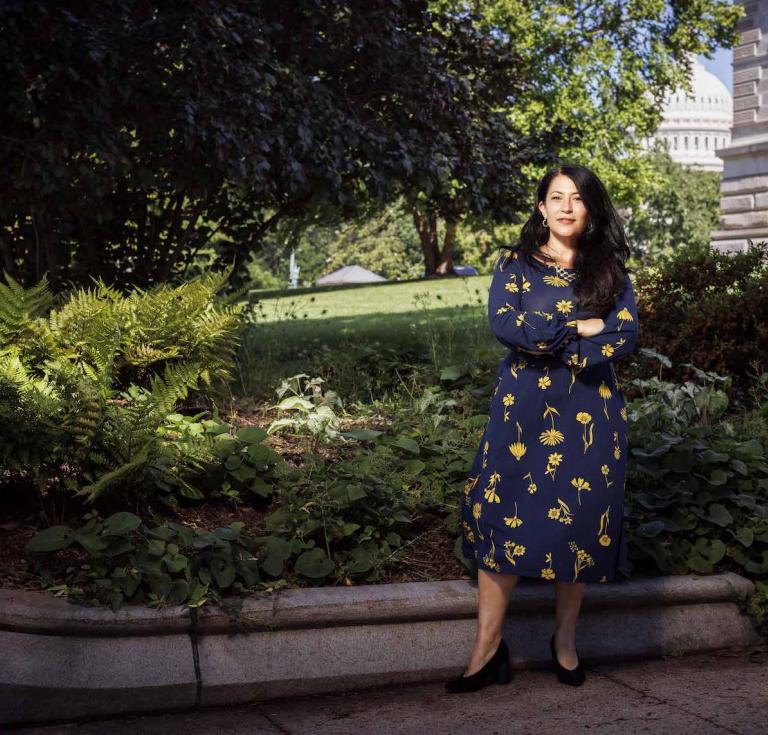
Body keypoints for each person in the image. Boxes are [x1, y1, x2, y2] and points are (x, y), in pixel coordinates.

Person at [445, 164, 639, 693]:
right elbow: (505, 325)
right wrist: (578, 325)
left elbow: (625, 334)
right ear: (541, 207)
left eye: (577, 198)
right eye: (556, 197)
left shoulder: (610, 270)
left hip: (592, 414)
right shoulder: (514, 264)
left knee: (577, 522)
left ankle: (566, 642)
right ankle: (486, 649)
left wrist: (552, 334)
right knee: (502, 516)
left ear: (590, 209)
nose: (566, 206)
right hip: (522, 411)